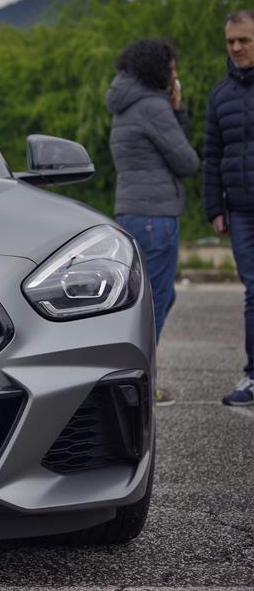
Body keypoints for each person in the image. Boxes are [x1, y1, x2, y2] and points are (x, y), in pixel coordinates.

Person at [106, 38, 200, 406]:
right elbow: (187, 162)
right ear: (159, 70)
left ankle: (130, 381)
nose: (175, 76)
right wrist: (178, 110)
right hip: (156, 216)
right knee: (155, 302)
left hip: (131, 213)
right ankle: (143, 386)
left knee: (148, 299)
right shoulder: (153, 107)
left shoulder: (123, 102)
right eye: (172, 69)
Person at [204, 9, 254, 407]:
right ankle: (253, 376)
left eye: (244, 40)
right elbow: (212, 154)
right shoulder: (219, 96)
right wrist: (214, 208)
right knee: (253, 290)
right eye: (231, 41)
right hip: (239, 210)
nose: (236, 47)